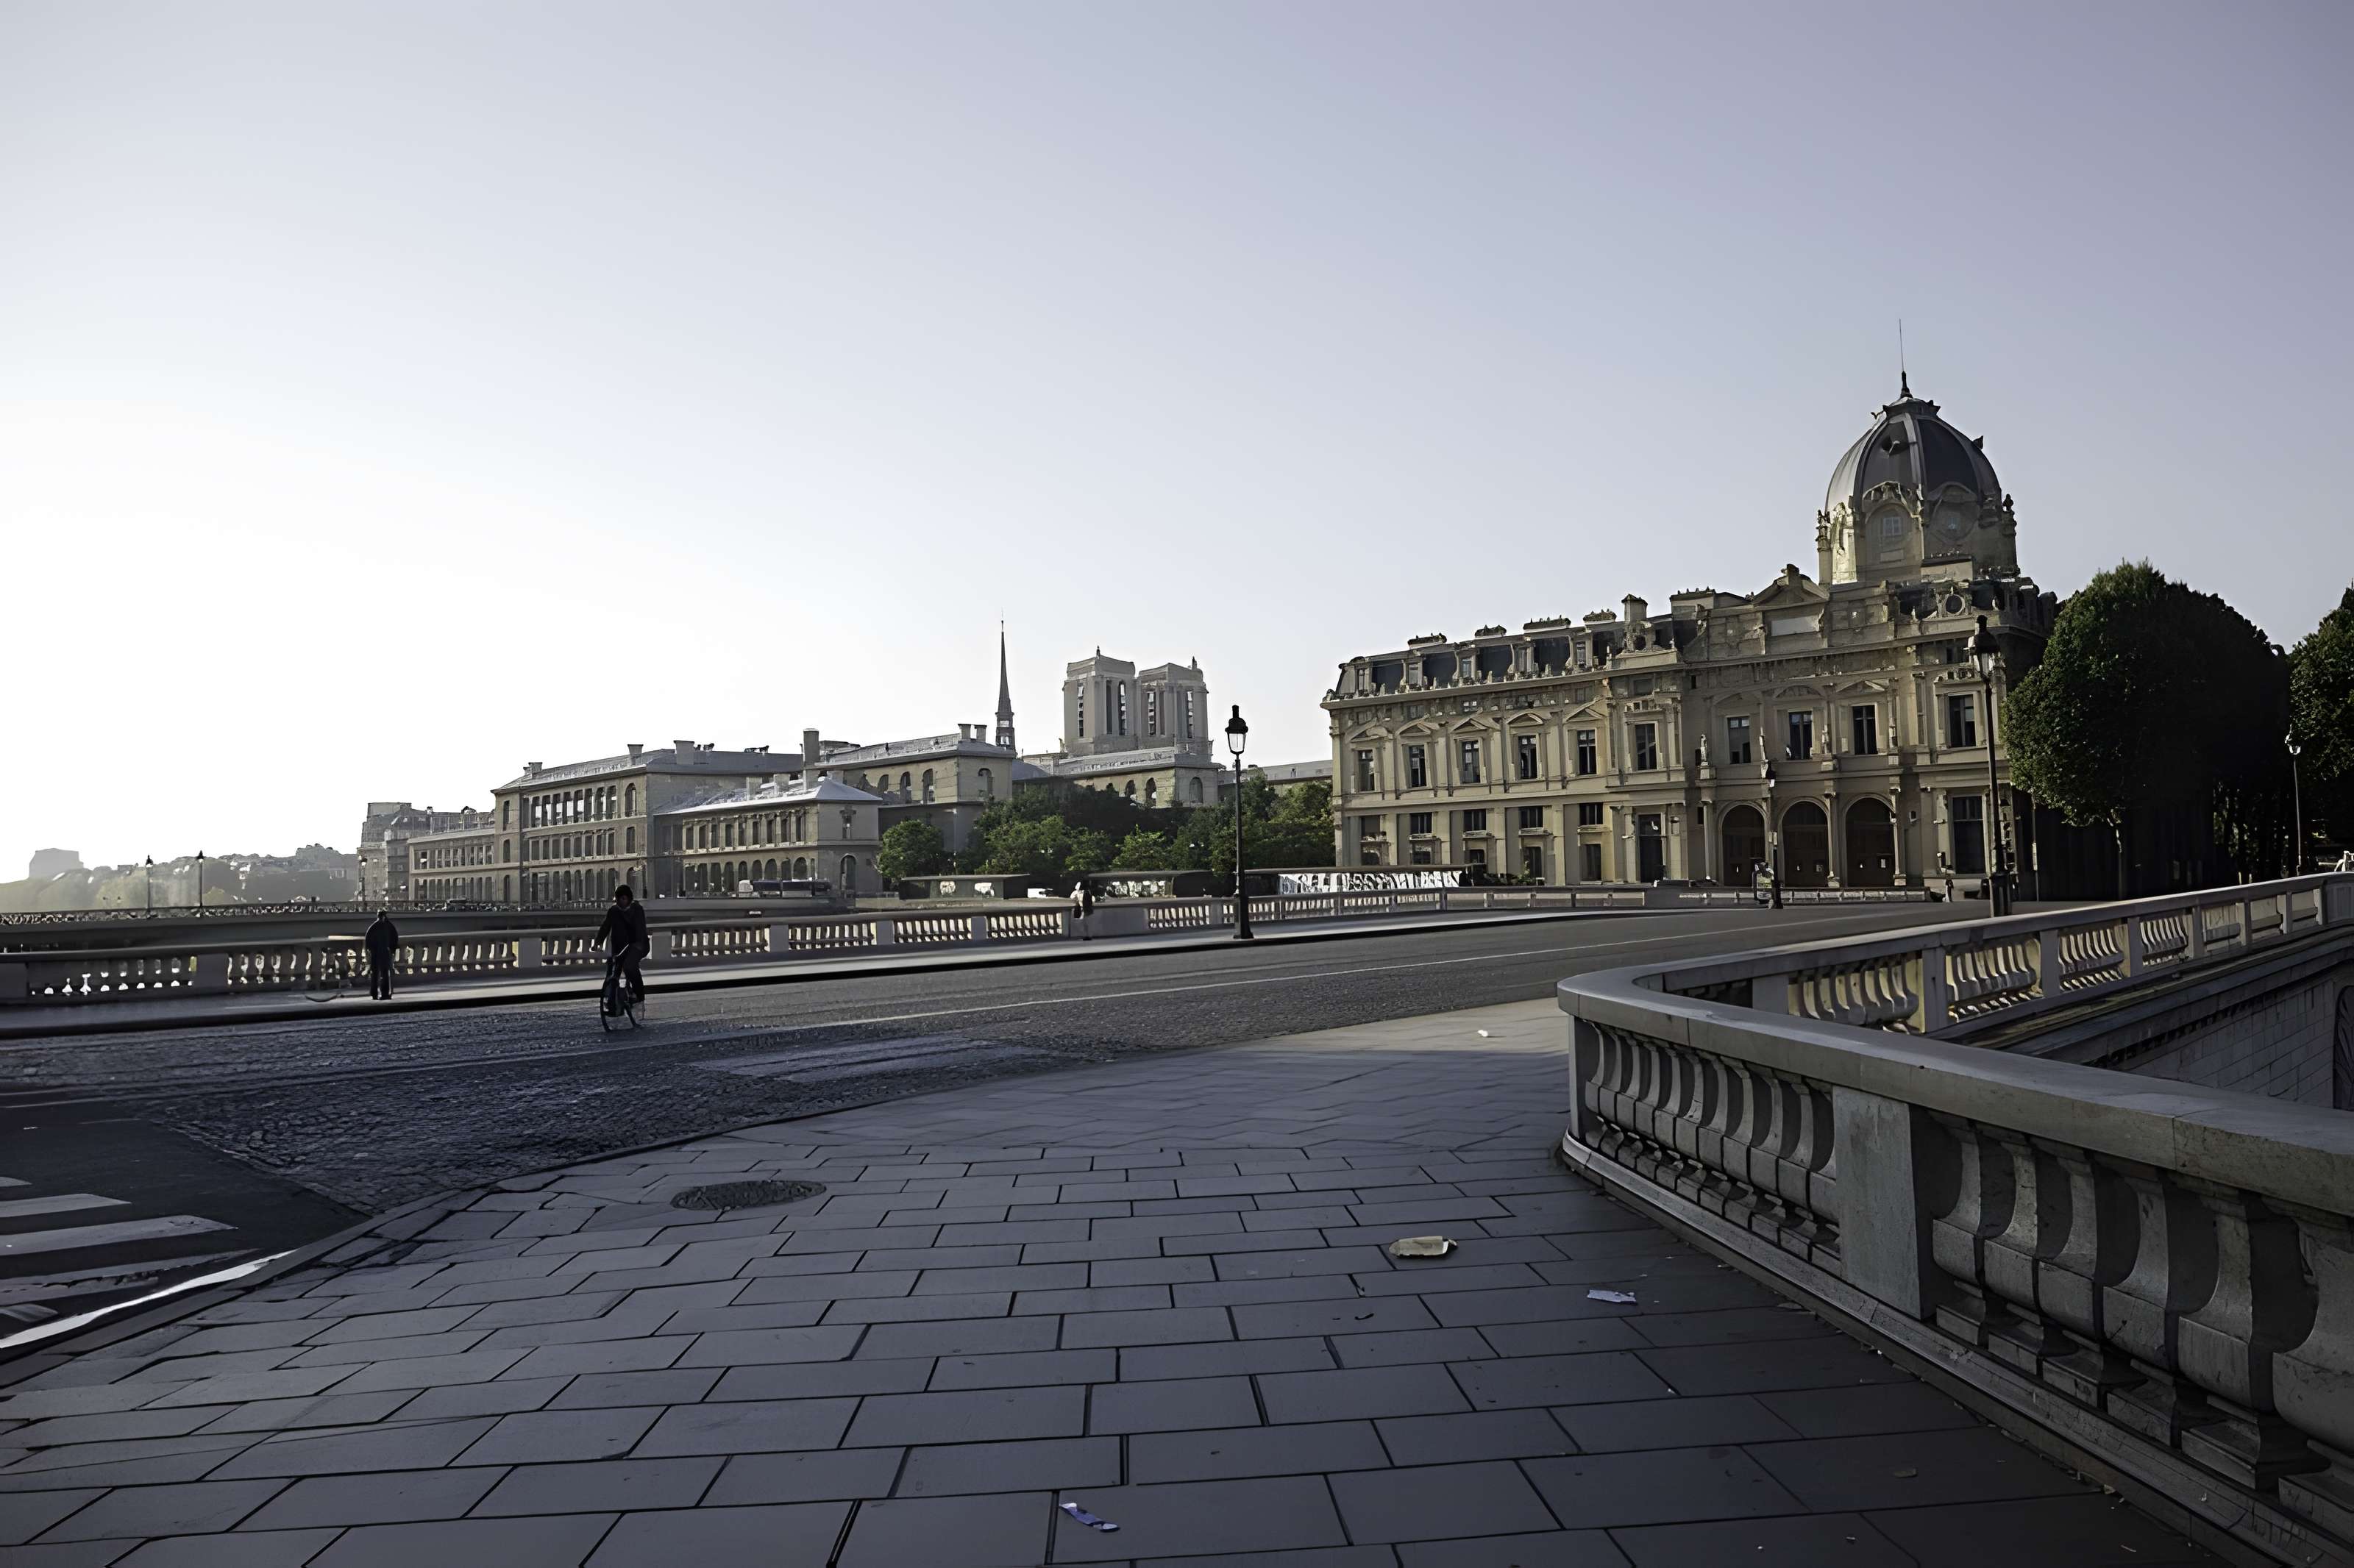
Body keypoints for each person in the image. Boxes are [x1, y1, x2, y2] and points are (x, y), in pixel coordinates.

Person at [596, 884, 650, 1006]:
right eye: (619, 899)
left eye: (624, 899)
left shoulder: (637, 909)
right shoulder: (614, 911)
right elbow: (605, 927)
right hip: (619, 946)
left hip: (637, 945)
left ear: (629, 899)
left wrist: (638, 944)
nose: (621, 902)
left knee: (630, 965)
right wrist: (598, 942)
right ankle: (611, 999)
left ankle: (639, 995)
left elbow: (641, 929)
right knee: (613, 970)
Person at [364, 910, 399, 999]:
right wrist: (392, 950)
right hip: (385, 953)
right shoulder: (389, 926)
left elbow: (367, 941)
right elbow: (395, 939)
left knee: (375, 973)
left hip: (375, 953)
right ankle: (385, 993)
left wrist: (370, 951)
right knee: (385, 973)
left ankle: (374, 993)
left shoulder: (373, 927)